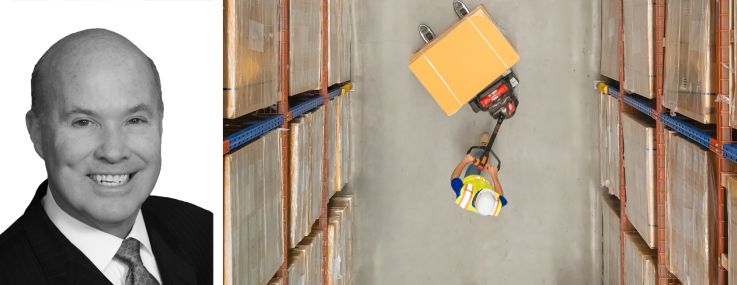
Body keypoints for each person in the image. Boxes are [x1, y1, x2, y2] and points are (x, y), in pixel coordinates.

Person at [0, 28, 212, 285]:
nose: (113, 152)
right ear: (36, 132)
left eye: (134, 120)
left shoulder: (207, 231)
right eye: (83, 122)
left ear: (160, 122)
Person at [450, 132, 508, 216]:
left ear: (475, 201)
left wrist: (465, 161)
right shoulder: (494, 206)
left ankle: (483, 147)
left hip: (472, 179)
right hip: (486, 183)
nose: (481, 189)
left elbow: (453, 178)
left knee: (479, 158)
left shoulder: (463, 196)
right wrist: (494, 176)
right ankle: (483, 151)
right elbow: (501, 197)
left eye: (480, 192)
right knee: (482, 162)